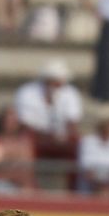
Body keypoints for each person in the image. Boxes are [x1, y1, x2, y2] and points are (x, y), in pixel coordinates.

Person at [14, 60, 81, 188]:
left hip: (61, 140)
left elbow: (72, 123)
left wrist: (63, 136)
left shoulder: (70, 93)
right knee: (26, 141)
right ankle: (30, 186)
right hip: (37, 139)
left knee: (78, 144)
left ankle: (75, 188)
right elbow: (25, 125)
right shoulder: (27, 93)